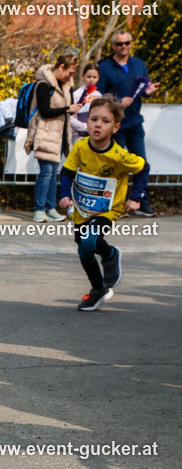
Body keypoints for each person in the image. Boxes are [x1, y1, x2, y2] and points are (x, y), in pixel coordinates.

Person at [58, 95, 149, 311]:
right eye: (93, 119)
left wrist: (136, 197)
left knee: (90, 239)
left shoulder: (120, 156)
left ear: (116, 127)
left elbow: (144, 168)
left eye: (105, 121)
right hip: (83, 209)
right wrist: (64, 194)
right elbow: (67, 172)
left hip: (108, 210)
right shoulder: (80, 147)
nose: (98, 124)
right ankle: (99, 289)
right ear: (87, 121)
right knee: (84, 251)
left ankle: (110, 255)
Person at [97, 30, 159, 218]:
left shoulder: (138, 64)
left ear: (131, 44)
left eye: (127, 43)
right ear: (113, 46)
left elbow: (144, 88)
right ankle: (110, 203)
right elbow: (98, 94)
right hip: (115, 125)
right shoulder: (104, 67)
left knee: (141, 164)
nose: (124, 47)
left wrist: (149, 91)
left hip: (135, 123)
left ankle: (140, 202)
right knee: (114, 165)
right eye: (119, 44)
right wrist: (117, 101)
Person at [25, 53, 81, 222]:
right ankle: (39, 208)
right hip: (44, 133)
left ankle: (50, 207)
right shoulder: (43, 84)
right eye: (70, 73)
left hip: (59, 135)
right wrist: (67, 108)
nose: (71, 77)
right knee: (46, 172)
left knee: (54, 172)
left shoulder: (65, 86)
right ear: (61, 67)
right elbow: (45, 110)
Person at [70, 62, 101, 144]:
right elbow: (71, 118)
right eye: (89, 76)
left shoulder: (98, 95)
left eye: (94, 77)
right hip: (79, 137)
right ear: (83, 76)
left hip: (95, 137)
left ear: (98, 78)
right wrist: (86, 127)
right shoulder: (76, 95)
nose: (91, 79)